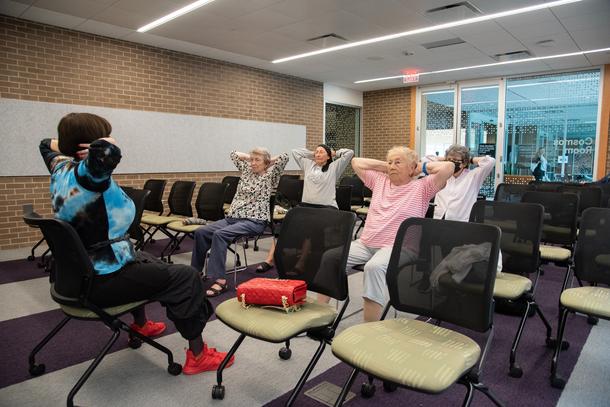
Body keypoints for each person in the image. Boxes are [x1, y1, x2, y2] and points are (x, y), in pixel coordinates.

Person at [39, 112, 231, 375]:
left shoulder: (60, 167)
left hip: (78, 275)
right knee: (186, 277)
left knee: (141, 258)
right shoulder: (88, 175)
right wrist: (104, 142)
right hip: (102, 279)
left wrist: (71, 145)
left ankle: (141, 325)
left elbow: (43, 144)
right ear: (93, 144)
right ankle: (198, 356)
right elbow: (108, 153)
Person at [320, 146, 454, 322]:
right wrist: (388, 166)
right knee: (330, 257)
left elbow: (449, 167)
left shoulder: (423, 187)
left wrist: (418, 168)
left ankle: (370, 331)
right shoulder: (380, 181)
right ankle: (320, 318)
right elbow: (356, 162)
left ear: (412, 167)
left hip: (400, 247)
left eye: (398, 162)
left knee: (373, 268)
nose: (392, 166)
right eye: (390, 162)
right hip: (366, 243)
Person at [191, 148, 289, 296]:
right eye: (252, 160)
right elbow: (233, 154)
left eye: (257, 160)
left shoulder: (270, 176)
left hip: (254, 221)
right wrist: (251, 157)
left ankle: (220, 281)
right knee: (201, 232)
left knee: (220, 234)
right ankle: (195, 272)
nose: (253, 163)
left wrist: (269, 163)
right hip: (232, 218)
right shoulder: (246, 170)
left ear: (266, 163)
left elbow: (285, 157)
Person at [255, 144, 354, 273]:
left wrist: (334, 152)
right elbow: (295, 151)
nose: (317, 154)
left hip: (327, 209)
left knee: (309, 231)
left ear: (328, 156)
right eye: (316, 152)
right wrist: (313, 154)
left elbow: (350, 153)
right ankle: (269, 260)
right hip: (306, 207)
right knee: (285, 226)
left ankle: (302, 262)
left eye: (321, 152)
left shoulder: (334, 167)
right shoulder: (308, 165)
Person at [427, 144, 496, 222]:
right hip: (439, 218)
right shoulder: (441, 174)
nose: (452, 163)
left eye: (456, 160)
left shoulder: (473, 176)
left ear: (464, 163)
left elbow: (490, 161)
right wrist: (445, 159)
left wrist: (469, 160)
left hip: (461, 223)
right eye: (449, 160)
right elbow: (426, 159)